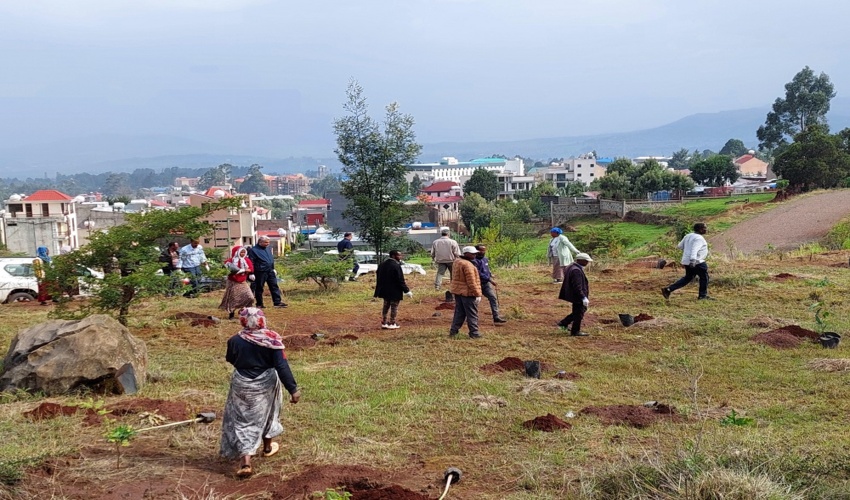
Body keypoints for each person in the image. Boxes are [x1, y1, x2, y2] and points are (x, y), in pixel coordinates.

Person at [220, 307, 301, 478]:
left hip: (241, 383)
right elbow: (281, 365)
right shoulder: (272, 339)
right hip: (266, 383)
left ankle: (246, 462)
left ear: (242, 321)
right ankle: (267, 447)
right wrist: (292, 389)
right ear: (262, 320)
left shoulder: (234, 340)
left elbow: (230, 359)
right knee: (270, 413)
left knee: (243, 420)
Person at [662, 222, 711, 300]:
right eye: (704, 228)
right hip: (697, 262)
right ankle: (702, 295)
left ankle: (668, 289)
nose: (706, 230)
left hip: (686, 261)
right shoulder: (699, 238)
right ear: (699, 229)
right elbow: (694, 250)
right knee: (704, 278)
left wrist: (687, 252)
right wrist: (693, 260)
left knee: (688, 278)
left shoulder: (688, 235)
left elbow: (680, 246)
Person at [449, 246, 483, 339]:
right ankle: (474, 333)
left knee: (459, 312)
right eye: (472, 253)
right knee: (472, 313)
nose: (475, 255)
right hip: (467, 293)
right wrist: (477, 294)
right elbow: (471, 282)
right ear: (466, 254)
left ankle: (453, 331)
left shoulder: (457, 261)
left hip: (458, 291)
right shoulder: (468, 265)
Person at [373, 250, 412, 330]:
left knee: (385, 306)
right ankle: (392, 323)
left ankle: (384, 322)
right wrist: (406, 290)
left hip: (384, 289)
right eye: (399, 255)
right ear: (393, 256)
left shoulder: (382, 265)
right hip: (394, 290)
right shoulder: (396, 266)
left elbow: (378, 277)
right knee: (394, 307)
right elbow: (400, 280)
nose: (400, 257)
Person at [557, 252, 593, 337]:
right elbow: (577, 286)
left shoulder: (571, 266)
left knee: (579, 311)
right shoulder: (576, 270)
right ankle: (575, 331)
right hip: (577, 295)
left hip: (574, 295)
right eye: (586, 261)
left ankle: (564, 323)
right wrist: (583, 297)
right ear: (580, 260)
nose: (587, 263)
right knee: (579, 312)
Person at [248, 236, 287, 308]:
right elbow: (251, 262)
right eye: (266, 242)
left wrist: (273, 268)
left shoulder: (268, 249)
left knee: (274, 286)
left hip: (270, 271)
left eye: (268, 242)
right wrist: (251, 273)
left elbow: (270, 259)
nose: (268, 244)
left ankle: (277, 302)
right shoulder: (253, 250)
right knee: (259, 288)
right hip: (260, 271)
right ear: (260, 242)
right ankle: (259, 304)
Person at [219, 246, 256, 320]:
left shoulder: (246, 260)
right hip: (233, 282)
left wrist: (244, 270)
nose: (243, 254)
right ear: (236, 252)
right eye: (241, 252)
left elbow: (251, 269)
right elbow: (225, 270)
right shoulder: (229, 261)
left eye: (244, 252)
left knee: (250, 297)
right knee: (233, 299)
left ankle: (245, 311)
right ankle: (231, 314)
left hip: (243, 282)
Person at [473, 244, 507, 324]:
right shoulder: (473, 261)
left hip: (486, 284)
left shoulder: (485, 259)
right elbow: (478, 273)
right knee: (475, 301)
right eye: (481, 250)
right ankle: (471, 317)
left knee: (493, 298)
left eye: (484, 250)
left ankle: (496, 316)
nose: (483, 252)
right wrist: (490, 280)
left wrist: (490, 274)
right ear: (476, 251)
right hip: (477, 284)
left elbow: (486, 269)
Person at [431, 229, 461, 294]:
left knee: (440, 273)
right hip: (451, 260)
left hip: (441, 260)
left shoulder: (435, 242)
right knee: (453, 274)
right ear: (448, 234)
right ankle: (453, 286)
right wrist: (458, 258)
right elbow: (457, 253)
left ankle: (437, 286)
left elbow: (433, 252)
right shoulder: (453, 242)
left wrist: (433, 258)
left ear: (441, 234)